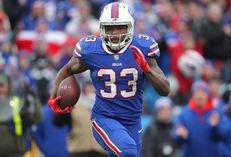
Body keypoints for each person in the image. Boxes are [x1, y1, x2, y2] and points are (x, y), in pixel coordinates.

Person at [48, 2, 170, 157]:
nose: (116, 33)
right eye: (110, 28)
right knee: (128, 151)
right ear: (102, 28)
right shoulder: (92, 50)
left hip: (133, 121)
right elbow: (67, 70)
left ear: (130, 27)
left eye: (121, 27)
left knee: (128, 152)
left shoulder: (142, 47)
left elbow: (165, 90)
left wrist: (147, 70)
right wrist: (53, 96)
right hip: (104, 118)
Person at [173, 80, 222, 157]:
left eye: (203, 93)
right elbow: (176, 137)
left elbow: (222, 136)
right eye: (197, 93)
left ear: (207, 95)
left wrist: (215, 126)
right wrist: (180, 135)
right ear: (193, 95)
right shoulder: (184, 113)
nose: (200, 96)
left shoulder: (215, 112)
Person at [0, 72, 42, 157]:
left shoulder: (18, 103)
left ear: (8, 87)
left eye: (2, 86)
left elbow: (37, 118)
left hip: (16, 151)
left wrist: (32, 97)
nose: (0, 89)